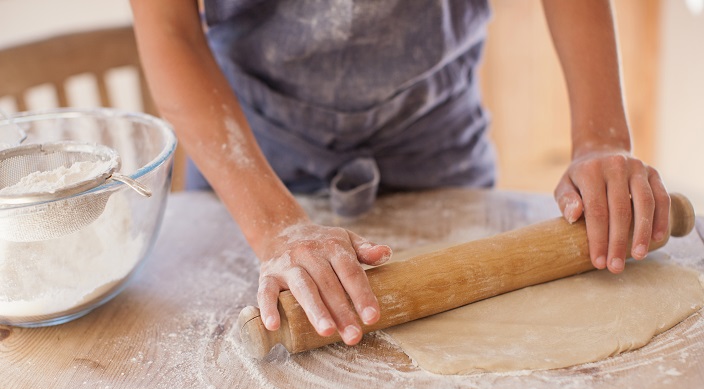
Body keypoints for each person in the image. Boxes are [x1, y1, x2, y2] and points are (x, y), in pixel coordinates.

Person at [129, 0, 670, 346]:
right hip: (249, 155)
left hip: (434, 138)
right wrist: (276, 228)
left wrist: (601, 138)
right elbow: (169, 28)